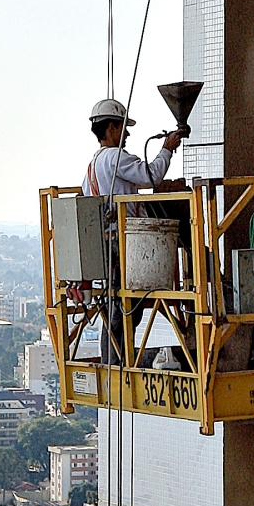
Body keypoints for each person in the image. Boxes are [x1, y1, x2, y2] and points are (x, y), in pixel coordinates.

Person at [81, 98, 188, 363]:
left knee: (117, 304)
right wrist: (167, 149)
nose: (127, 134)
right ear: (112, 128)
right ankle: (115, 360)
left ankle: (114, 359)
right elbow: (151, 176)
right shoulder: (115, 158)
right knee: (126, 307)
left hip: (108, 243)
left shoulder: (93, 166)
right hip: (125, 243)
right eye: (123, 128)